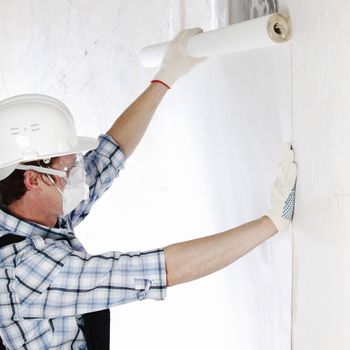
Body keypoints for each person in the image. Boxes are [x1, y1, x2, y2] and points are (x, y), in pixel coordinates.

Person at [0, 28, 297, 350]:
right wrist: (270, 223)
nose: (78, 176)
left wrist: (167, 75)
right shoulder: (24, 273)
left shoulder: (27, 211)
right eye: (69, 168)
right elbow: (157, 270)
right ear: (33, 179)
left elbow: (108, 155)